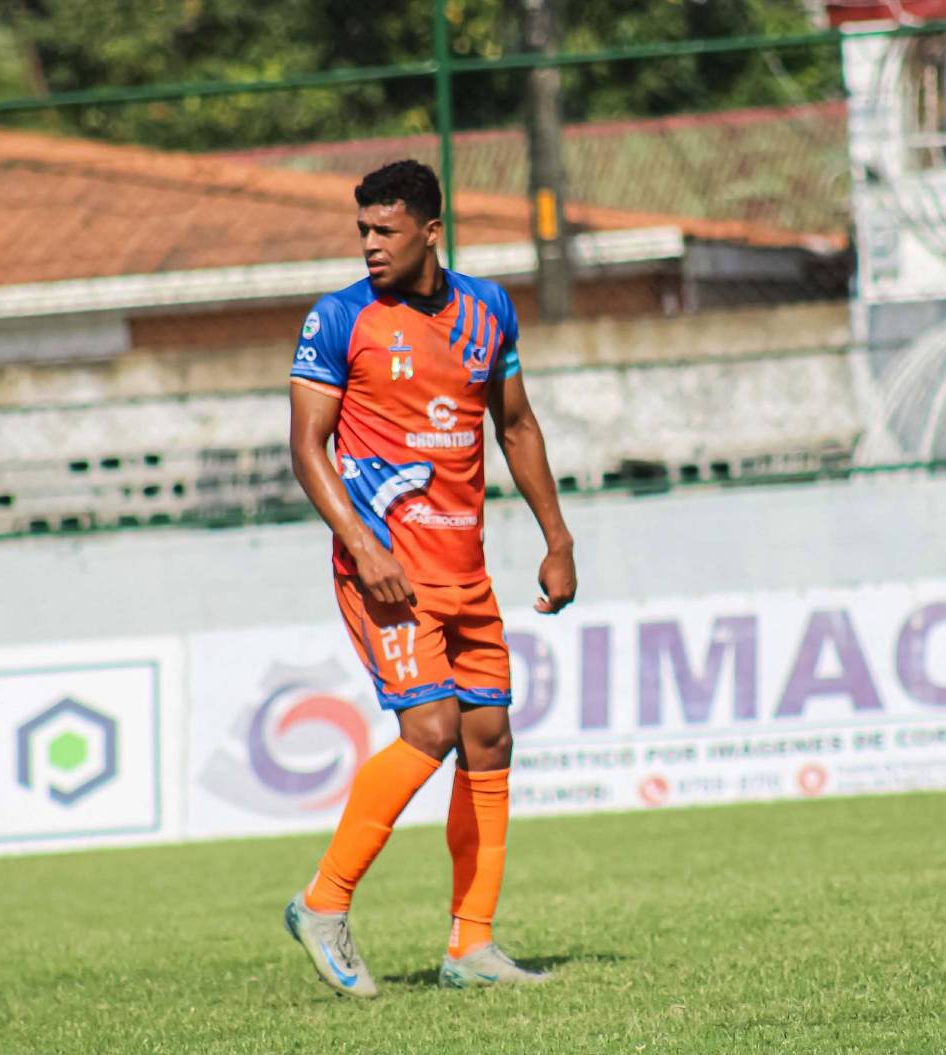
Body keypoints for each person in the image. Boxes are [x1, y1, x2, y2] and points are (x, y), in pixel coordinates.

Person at [283, 159, 576, 998]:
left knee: (489, 737)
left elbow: (515, 426)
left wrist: (557, 537)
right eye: (363, 231)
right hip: (385, 573)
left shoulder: (489, 309)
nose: (370, 245)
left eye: (386, 230)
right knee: (434, 726)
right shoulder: (340, 318)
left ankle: (471, 946)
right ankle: (322, 901)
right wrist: (361, 544)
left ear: (430, 231)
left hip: (466, 572)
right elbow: (308, 447)